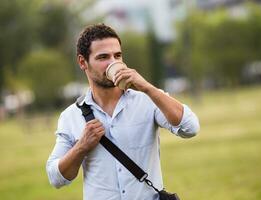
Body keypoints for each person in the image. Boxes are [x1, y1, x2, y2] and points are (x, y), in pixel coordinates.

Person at [46, 23, 200, 200]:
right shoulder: (71, 116)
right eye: (103, 57)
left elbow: (190, 128)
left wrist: (147, 87)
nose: (113, 62)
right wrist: (81, 147)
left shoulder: (147, 100)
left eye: (117, 55)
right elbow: (55, 177)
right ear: (83, 62)